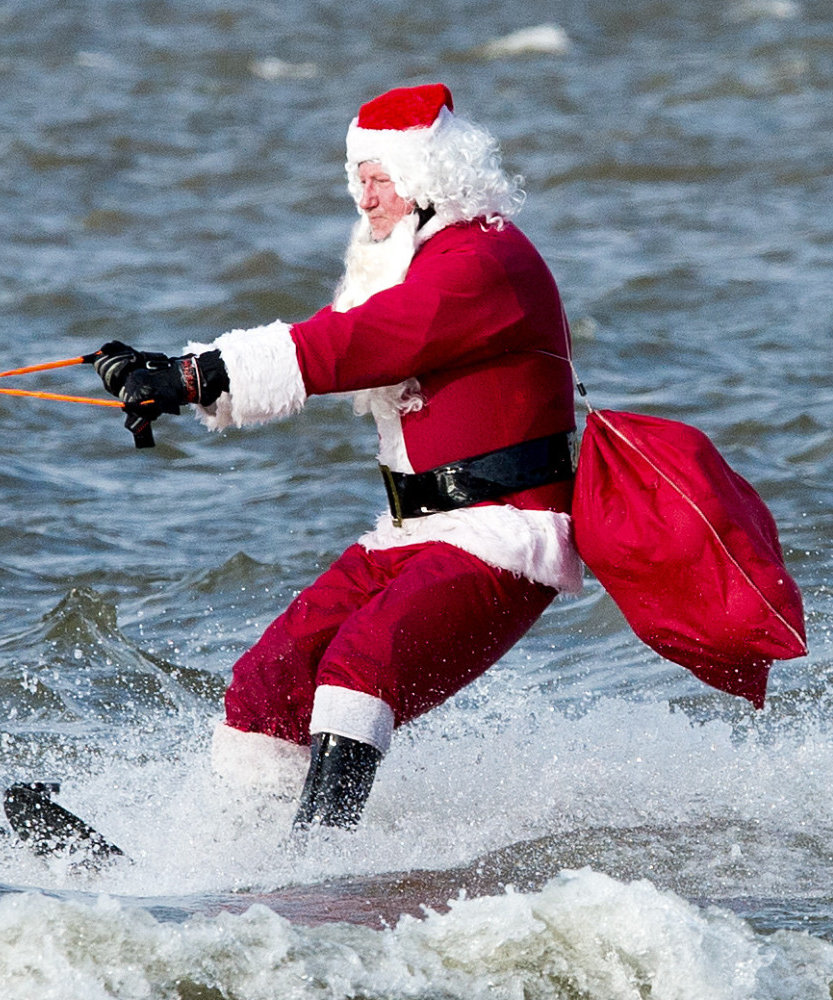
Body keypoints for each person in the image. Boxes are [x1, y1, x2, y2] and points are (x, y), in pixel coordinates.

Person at [92, 83, 580, 833]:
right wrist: (175, 377)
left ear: (427, 177)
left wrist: (195, 375)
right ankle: (226, 864)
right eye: (358, 179)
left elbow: (353, 346)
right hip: (414, 536)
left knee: (364, 656)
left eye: (379, 179)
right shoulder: (412, 261)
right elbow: (331, 334)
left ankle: (317, 870)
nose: (364, 197)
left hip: (506, 538)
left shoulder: (483, 263)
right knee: (270, 678)